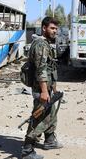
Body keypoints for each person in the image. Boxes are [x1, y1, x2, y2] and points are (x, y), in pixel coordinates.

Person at [21, 17, 63, 159]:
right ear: (44, 28)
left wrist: (54, 87)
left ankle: (50, 140)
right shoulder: (40, 45)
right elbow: (41, 70)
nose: (55, 31)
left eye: (56, 29)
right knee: (40, 116)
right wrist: (45, 91)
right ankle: (27, 149)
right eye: (52, 28)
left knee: (51, 114)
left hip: (47, 86)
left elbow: (51, 68)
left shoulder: (47, 44)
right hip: (40, 89)